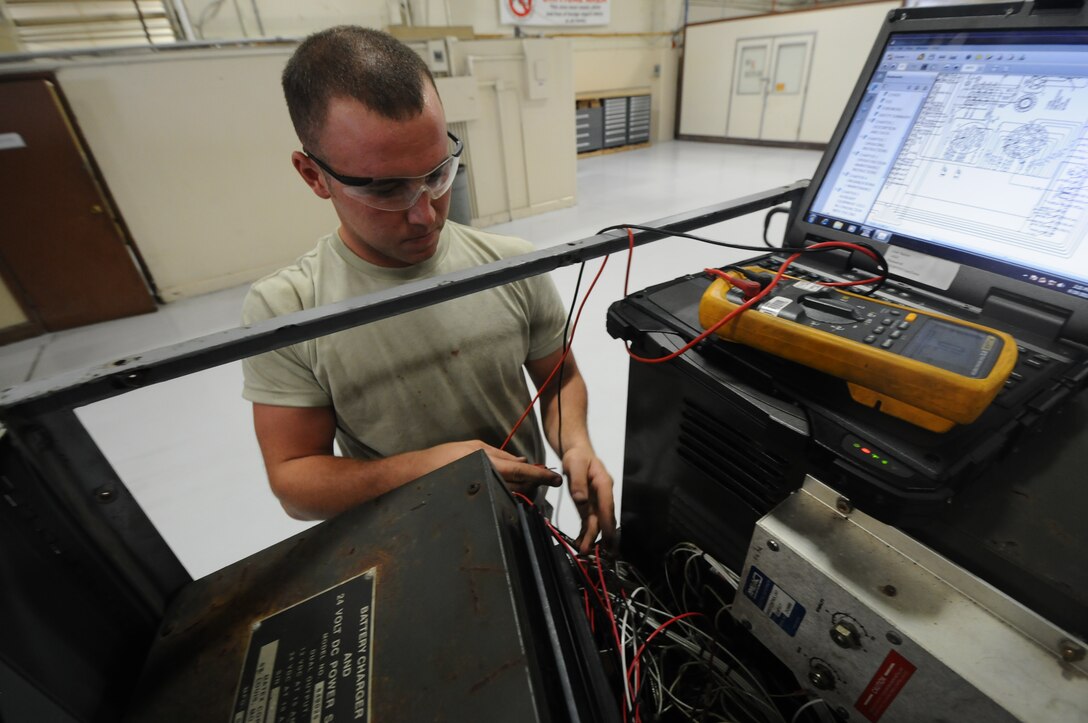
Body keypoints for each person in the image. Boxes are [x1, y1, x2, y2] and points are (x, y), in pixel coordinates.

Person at [242, 25, 616, 553]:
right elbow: (296, 484)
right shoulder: (289, 308)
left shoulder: (508, 264)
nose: (424, 215)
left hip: (523, 519)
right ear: (313, 175)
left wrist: (576, 444)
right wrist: (432, 471)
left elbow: (559, 377)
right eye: (386, 189)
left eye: (438, 173)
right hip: (408, 544)